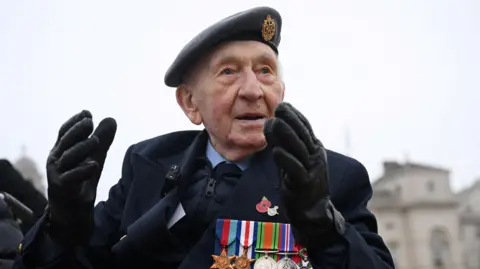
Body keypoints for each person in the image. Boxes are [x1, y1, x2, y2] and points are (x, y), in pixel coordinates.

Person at [14, 6, 394, 269]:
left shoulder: (334, 178)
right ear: (190, 103)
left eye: (265, 71)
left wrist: (324, 225)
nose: (252, 89)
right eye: (229, 72)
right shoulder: (146, 166)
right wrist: (61, 223)